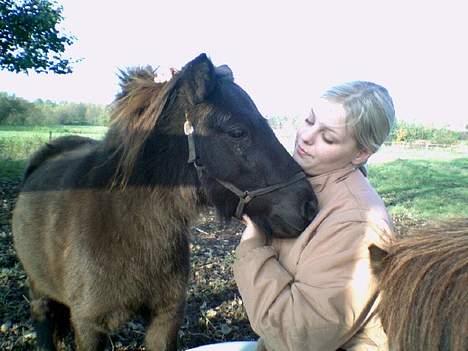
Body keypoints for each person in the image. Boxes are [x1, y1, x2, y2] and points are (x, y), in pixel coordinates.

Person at [232, 81, 396, 351]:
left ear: (361, 153)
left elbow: (297, 336)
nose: (306, 136)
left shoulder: (359, 225)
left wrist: (253, 244)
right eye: (309, 120)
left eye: (328, 137)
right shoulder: (302, 182)